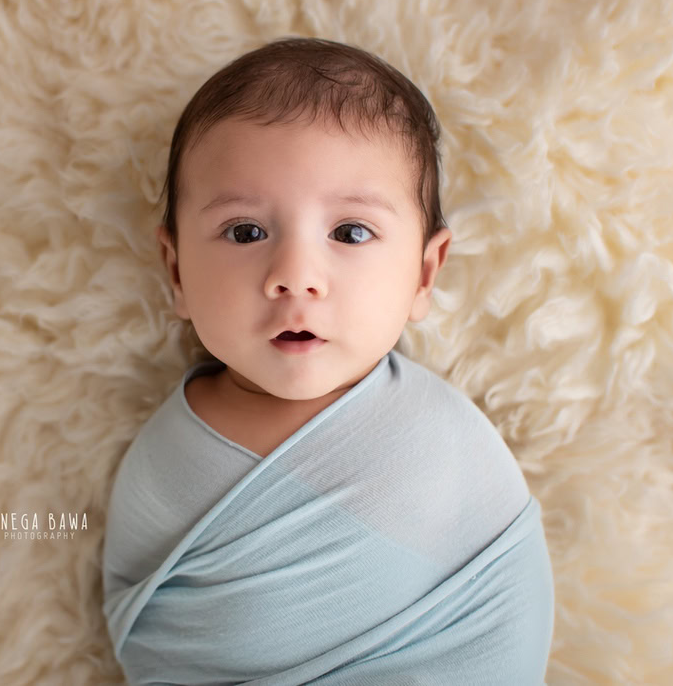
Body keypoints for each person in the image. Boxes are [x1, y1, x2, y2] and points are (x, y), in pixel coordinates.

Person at [103, 37, 555, 685]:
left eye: (350, 232)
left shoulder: (445, 444)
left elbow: (501, 615)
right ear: (176, 270)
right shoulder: (159, 462)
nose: (295, 276)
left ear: (424, 273)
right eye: (246, 232)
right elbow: (156, 642)